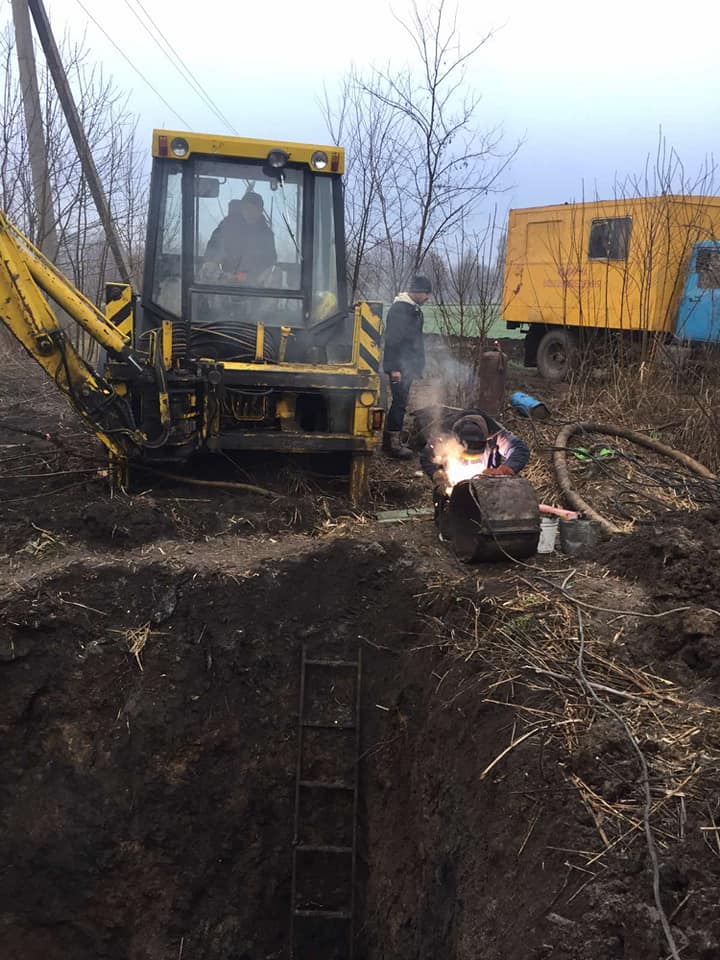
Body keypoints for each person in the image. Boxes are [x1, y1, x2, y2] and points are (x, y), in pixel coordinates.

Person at [420, 410, 530, 503]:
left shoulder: (496, 433)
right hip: (452, 490)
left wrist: (503, 470)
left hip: (486, 490)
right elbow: (426, 456)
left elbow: (520, 450)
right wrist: (438, 476)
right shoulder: (445, 434)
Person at [382, 275, 432, 459]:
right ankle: (392, 445)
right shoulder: (399, 310)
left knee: (401, 403)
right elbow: (392, 341)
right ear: (417, 292)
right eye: (426, 293)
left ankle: (393, 440)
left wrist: (417, 365)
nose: (428, 297)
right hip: (399, 366)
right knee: (399, 403)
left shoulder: (414, 310)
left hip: (408, 365)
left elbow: (414, 341)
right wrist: (394, 368)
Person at [204, 192, 277, 283]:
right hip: (222, 284)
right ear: (241, 208)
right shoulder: (227, 226)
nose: (249, 212)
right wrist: (213, 265)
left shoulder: (266, 234)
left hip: (255, 288)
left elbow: (269, 261)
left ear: (260, 211)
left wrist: (248, 277)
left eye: (253, 209)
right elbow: (213, 248)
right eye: (246, 208)